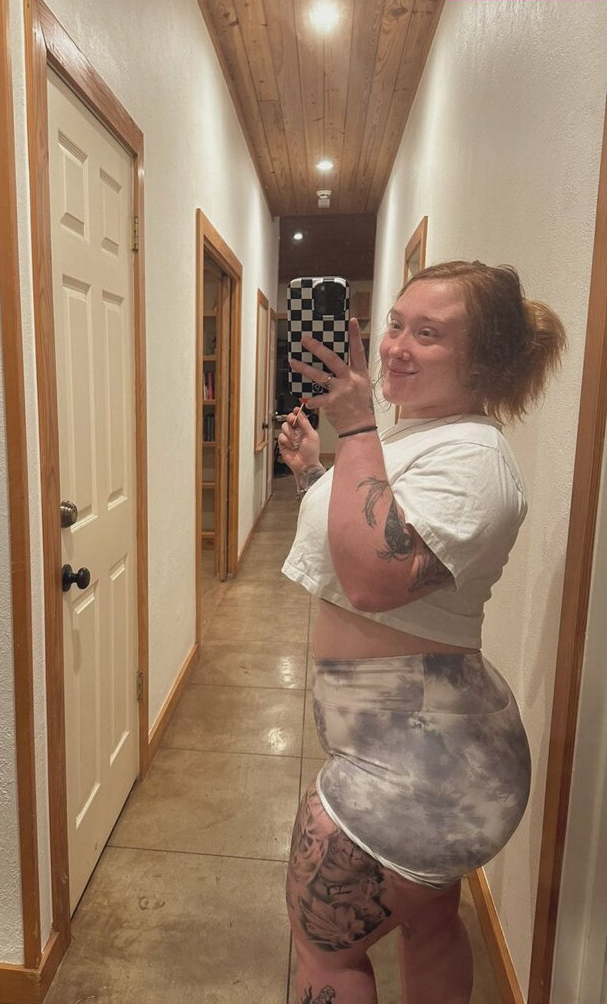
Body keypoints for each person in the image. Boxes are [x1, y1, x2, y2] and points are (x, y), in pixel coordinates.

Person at [278, 261, 566, 1004]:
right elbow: (369, 533)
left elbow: (376, 581)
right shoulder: (425, 437)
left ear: (486, 363)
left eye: (429, 334)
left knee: (323, 951)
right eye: (396, 324)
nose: (396, 347)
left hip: (420, 767)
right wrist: (314, 472)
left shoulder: (475, 458)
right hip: (418, 750)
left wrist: (357, 424)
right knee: (429, 922)